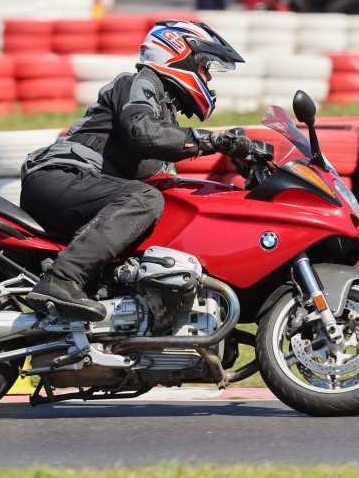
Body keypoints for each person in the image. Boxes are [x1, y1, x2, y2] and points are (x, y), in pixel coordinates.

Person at [20, 19, 263, 322]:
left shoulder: (164, 116)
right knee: (144, 200)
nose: (208, 76)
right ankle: (62, 279)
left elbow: (168, 176)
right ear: (177, 54)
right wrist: (212, 140)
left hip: (81, 187)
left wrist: (241, 168)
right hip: (60, 176)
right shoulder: (139, 83)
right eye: (204, 65)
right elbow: (143, 132)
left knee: (172, 207)